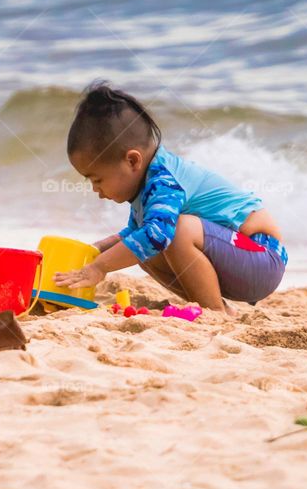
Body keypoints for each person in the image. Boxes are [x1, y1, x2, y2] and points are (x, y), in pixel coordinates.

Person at [54, 82, 286, 315]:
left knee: (170, 233)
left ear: (133, 161)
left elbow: (156, 235)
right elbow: (135, 236)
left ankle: (214, 311)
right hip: (239, 262)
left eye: (97, 179)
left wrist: (100, 267)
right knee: (139, 246)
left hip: (263, 258)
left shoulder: (165, 181)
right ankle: (219, 309)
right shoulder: (147, 187)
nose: (96, 190)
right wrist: (96, 250)